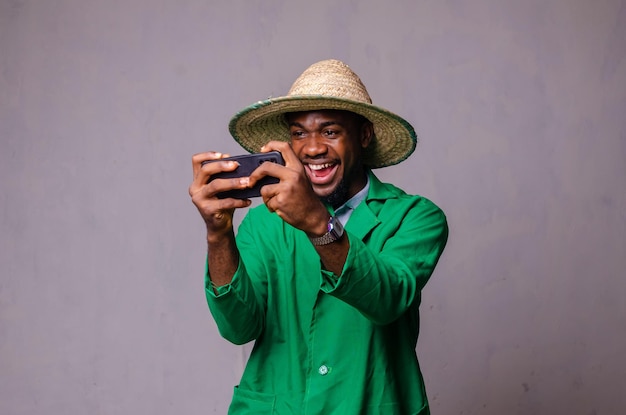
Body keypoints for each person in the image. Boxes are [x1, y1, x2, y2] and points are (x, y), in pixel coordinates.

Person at [189, 59, 448, 414]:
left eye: (330, 131)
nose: (311, 149)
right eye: (299, 133)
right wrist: (218, 234)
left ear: (364, 135)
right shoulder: (263, 223)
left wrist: (315, 220)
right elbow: (238, 328)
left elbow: (387, 299)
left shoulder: (414, 217)